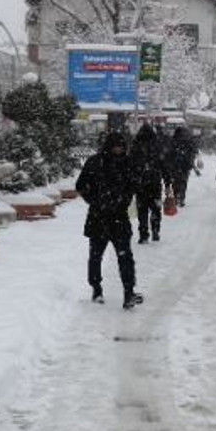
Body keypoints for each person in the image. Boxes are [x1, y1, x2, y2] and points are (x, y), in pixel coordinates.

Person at [75, 132, 142, 309]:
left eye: (121, 146)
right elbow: (80, 185)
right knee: (96, 256)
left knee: (125, 256)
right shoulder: (95, 162)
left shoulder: (127, 162)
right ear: (109, 146)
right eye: (115, 146)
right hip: (99, 217)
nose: (118, 149)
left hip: (118, 216)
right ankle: (96, 289)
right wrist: (94, 200)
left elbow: (134, 183)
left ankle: (129, 292)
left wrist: (125, 198)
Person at [131, 124, 166, 244]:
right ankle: (155, 229)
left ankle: (143, 233)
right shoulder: (157, 145)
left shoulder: (135, 146)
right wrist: (167, 182)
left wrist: (132, 181)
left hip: (140, 184)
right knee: (156, 208)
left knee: (142, 210)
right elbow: (163, 165)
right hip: (155, 183)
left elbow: (131, 166)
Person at [167, 127, 198, 207]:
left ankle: (176, 196)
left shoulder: (173, 140)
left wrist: (170, 162)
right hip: (185, 165)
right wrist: (190, 161)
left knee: (175, 181)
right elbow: (193, 150)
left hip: (175, 165)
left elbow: (169, 152)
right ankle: (181, 197)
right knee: (183, 181)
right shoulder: (188, 140)